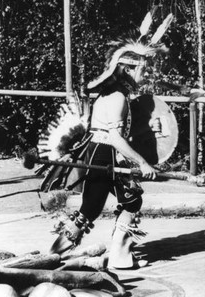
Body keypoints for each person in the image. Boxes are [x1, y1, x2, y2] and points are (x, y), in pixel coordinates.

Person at [49, 37, 167, 269]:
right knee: (132, 200)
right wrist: (142, 162)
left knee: (91, 207)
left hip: (99, 152)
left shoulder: (112, 93)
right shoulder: (118, 96)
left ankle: (55, 251)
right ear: (127, 69)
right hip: (105, 154)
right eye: (143, 68)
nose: (145, 74)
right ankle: (120, 257)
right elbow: (114, 138)